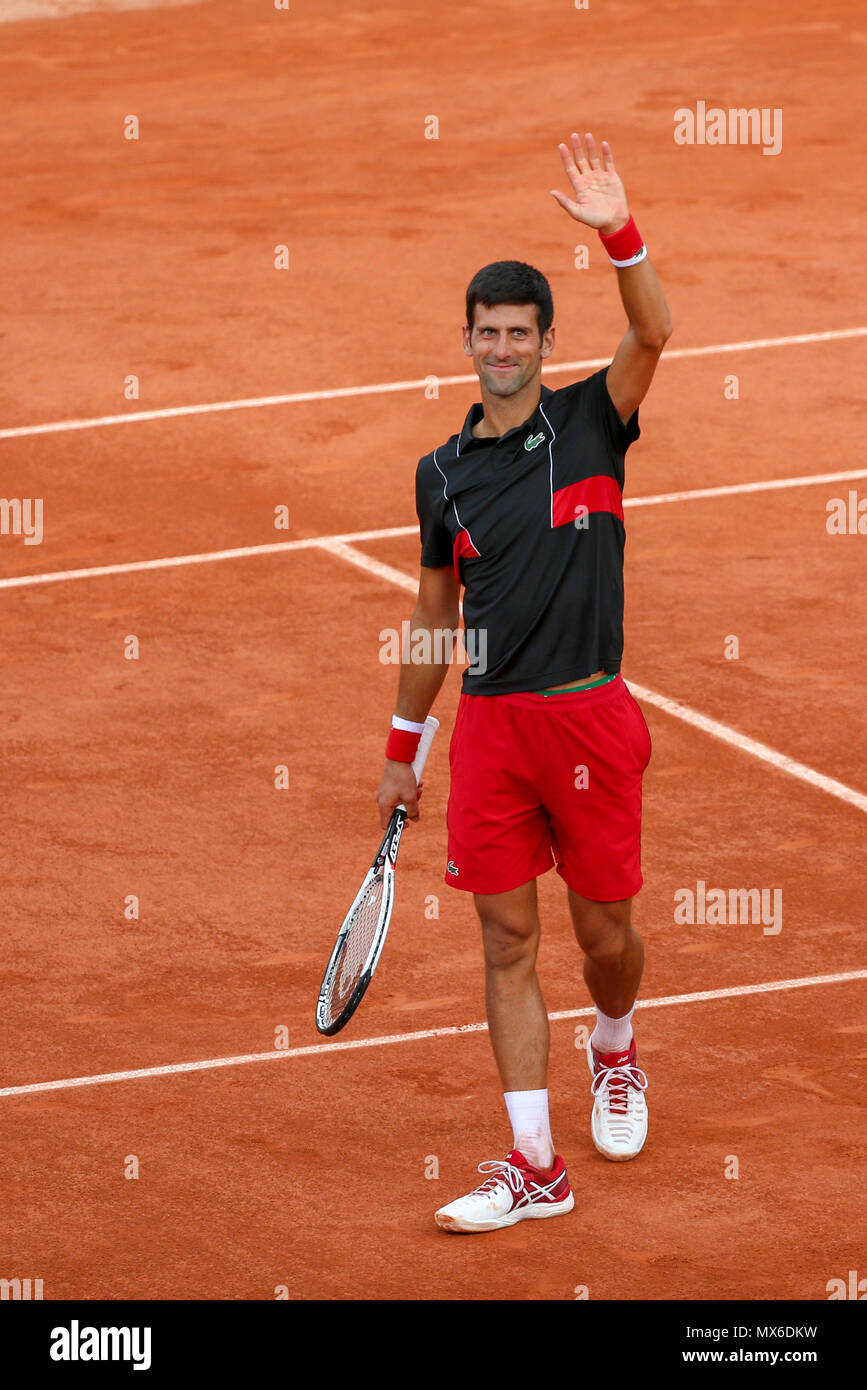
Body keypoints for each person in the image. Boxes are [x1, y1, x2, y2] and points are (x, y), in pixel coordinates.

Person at [376, 131, 672, 1233]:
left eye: (519, 333)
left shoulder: (596, 418)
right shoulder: (440, 476)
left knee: (605, 940)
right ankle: (534, 1162)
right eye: (486, 333)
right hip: (494, 730)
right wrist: (403, 751)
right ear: (467, 341)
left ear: (546, 340)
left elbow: (656, 328)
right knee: (507, 939)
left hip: (592, 719)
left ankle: (615, 1039)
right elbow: (433, 615)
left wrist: (619, 231)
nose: (501, 348)